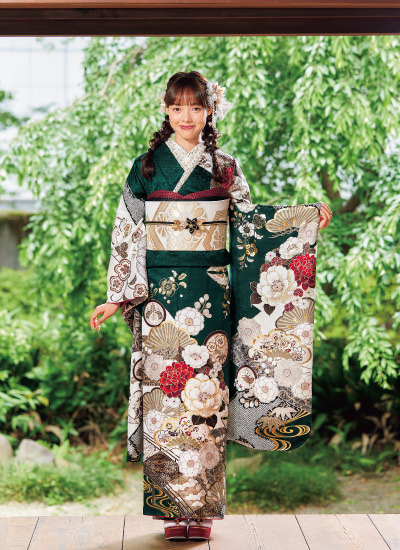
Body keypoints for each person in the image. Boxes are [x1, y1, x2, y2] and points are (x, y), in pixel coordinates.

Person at [90, 71, 332, 541]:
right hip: (159, 298)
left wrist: (302, 224)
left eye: (196, 107)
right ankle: (170, 509)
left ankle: (200, 509)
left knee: (208, 398)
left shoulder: (226, 167)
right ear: (166, 111)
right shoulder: (145, 167)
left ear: (209, 111)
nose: (186, 116)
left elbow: (251, 228)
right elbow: (127, 231)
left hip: (212, 292)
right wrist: (117, 295)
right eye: (177, 107)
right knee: (166, 397)